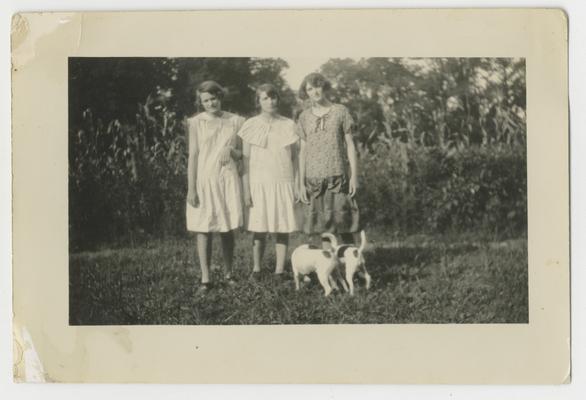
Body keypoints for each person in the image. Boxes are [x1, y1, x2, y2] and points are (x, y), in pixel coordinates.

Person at [186, 80, 244, 292]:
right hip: (204, 180)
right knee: (204, 228)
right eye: (206, 100)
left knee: (227, 228)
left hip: (227, 179)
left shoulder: (236, 121)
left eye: (214, 98)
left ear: (220, 97)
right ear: (201, 102)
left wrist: (231, 150)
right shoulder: (196, 122)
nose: (211, 103)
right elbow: (193, 156)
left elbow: (242, 154)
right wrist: (191, 188)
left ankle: (229, 274)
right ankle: (206, 278)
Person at [238, 84, 299, 280]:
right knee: (259, 228)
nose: (270, 102)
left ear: (278, 100)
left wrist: (297, 184)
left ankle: (279, 271)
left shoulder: (289, 124)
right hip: (259, 183)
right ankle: (257, 269)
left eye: (273, 98)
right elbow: (245, 160)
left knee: (282, 227)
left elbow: (295, 158)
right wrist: (246, 189)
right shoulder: (250, 125)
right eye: (265, 98)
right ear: (258, 102)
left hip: (283, 180)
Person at [296, 72, 360, 248]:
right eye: (310, 88)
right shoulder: (304, 117)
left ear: (324, 87)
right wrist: (301, 183)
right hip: (314, 180)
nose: (315, 92)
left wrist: (354, 176)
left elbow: (350, 145)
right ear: (306, 93)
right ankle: (329, 271)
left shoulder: (340, 111)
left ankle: (352, 268)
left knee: (344, 224)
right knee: (323, 228)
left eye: (317, 86)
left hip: (338, 177)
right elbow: (302, 151)